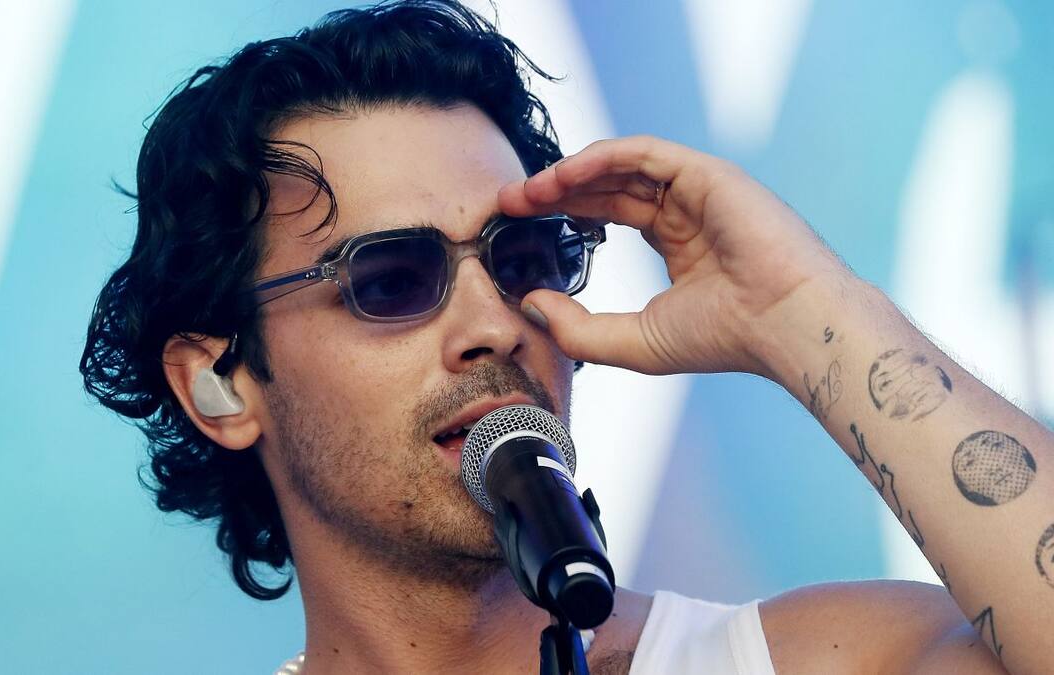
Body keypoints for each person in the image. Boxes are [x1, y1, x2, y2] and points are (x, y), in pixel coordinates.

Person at [80, 1, 1053, 672]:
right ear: (219, 384)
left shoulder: (808, 660)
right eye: (390, 281)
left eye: (522, 259)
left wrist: (803, 311)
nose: (494, 323)